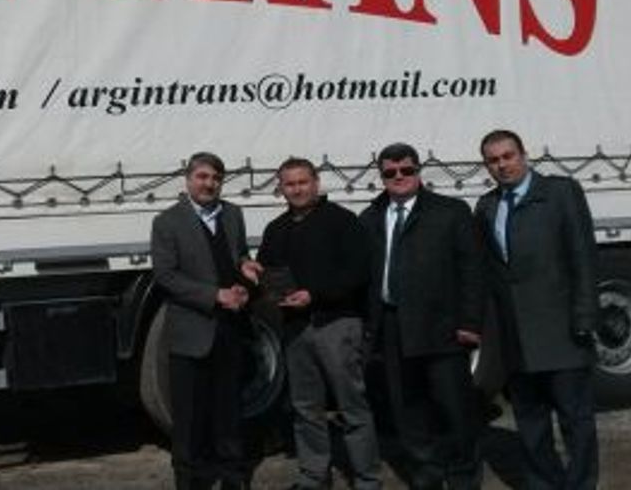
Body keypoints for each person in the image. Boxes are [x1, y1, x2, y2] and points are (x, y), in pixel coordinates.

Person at [243, 158, 379, 489]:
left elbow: (359, 272)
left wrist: (314, 295)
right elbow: (268, 276)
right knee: (306, 408)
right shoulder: (276, 229)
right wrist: (253, 274)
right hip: (295, 329)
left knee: (352, 406)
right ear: (281, 189)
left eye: (303, 182)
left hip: (337, 324)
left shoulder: (342, 221)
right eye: (289, 184)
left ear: (316, 183)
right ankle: (313, 477)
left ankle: (367, 478)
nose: (297, 189)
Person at [475, 129, 598, 489]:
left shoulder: (560, 193)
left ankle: (581, 484)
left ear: (524, 155)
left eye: (508, 156)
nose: (502, 165)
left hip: (562, 331)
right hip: (515, 337)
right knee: (530, 423)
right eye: (493, 160)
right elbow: (490, 272)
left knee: (576, 420)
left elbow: (583, 256)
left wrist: (585, 316)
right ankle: (544, 483)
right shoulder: (487, 206)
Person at [359, 142, 484, 489]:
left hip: (441, 327)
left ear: (418, 171)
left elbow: (472, 270)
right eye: (390, 172)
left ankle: (463, 477)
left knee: (454, 408)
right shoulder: (370, 217)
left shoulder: (450, 211)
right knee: (407, 409)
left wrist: (471, 323)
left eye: (406, 170)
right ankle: (427, 474)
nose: (398, 176)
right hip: (392, 326)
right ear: (381, 176)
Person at [151, 151, 253, 490]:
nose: (209, 184)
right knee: (189, 419)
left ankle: (234, 478)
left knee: (229, 412)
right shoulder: (167, 222)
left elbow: (238, 256)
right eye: (203, 177)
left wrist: (245, 269)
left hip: (230, 328)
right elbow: (166, 276)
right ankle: (190, 481)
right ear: (188, 179)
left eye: (216, 178)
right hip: (191, 334)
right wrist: (214, 296)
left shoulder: (233, 214)